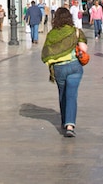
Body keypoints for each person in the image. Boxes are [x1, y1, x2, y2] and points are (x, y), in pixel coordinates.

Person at [41, 7, 87, 138]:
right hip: (74, 67)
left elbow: (46, 52)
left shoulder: (51, 34)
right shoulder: (76, 32)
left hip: (59, 68)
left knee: (62, 94)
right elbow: (84, 48)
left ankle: (63, 121)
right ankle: (70, 125)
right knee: (71, 95)